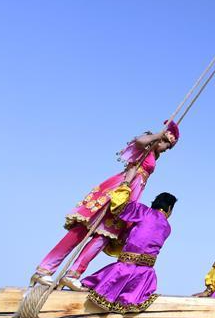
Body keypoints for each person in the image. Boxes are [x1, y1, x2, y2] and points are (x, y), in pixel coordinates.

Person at [32, 123, 179, 289]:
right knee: (82, 230)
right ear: (163, 139)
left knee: (104, 236)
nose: (166, 149)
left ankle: (73, 274)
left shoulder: (153, 154)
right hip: (119, 189)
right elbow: (139, 141)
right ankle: (44, 269)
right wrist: (158, 135)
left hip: (131, 195)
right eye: (167, 145)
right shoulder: (146, 147)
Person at [53, 190, 177, 318]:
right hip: (144, 277)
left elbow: (119, 206)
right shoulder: (167, 226)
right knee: (119, 315)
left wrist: (125, 186)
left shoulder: (143, 212)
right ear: (169, 209)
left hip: (123, 270)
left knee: (76, 294)